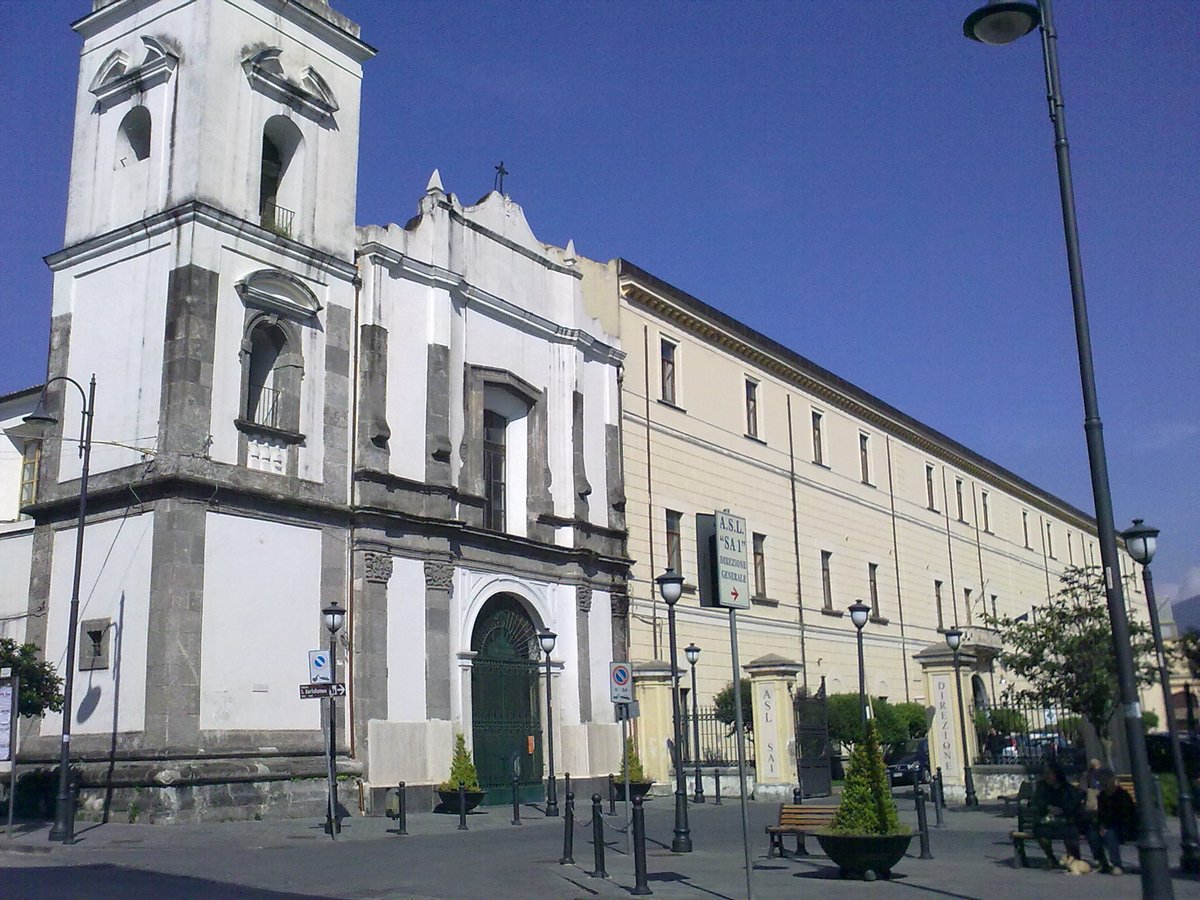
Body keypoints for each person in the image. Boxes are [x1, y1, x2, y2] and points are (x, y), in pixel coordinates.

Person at [1031, 761, 1083, 866]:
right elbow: (1037, 801)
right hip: (1048, 822)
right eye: (1045, 773)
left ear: (1056, 774)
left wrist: (1062, 811)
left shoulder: (1067, 789)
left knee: (1071, 831)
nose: (1046, 776)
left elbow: (1073, 805)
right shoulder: (1042, 787)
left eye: (1049, 773)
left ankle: (1074, 858)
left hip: (1065, 821)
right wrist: (1048, 807)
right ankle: (1051, 857)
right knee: (1040, 832)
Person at [1086, 770, 1136, 875]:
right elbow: (1101, 815)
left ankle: (1116, 864)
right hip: (1106, 826)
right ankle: (1102, 862)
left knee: (1110, 835)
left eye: (1105, 780)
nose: (1103, 783)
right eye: (1101, 781)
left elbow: (1125, 816)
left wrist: (1106, 826)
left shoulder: (1122, 795)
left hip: (1123, 827)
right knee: (1092, 834)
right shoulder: (1102, 796)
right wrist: (1100, 825)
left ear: (1112, 781)